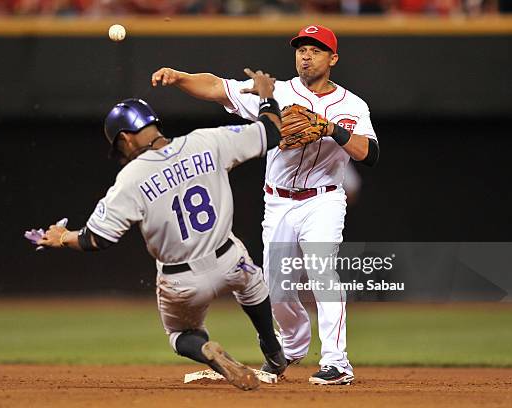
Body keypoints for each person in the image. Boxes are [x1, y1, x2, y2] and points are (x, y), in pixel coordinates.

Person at [30, 69, 289, 391]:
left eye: (119, 146)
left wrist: (62, 238)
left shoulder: (131, 178)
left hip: (181, 281)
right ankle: (273, 350)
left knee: (181, 335)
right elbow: (272, 132)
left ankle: (206, 349)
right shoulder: (206, 141)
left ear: (124, 138)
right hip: (228, 259)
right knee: (251, 283)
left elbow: (96, 239)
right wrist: (266, 95)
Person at [151, 24, 379, 385]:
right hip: (279, 202)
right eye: (301, 48)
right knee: (277, 286)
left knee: (323, 272)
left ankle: (337, 362)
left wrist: (330, 128)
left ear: (333, 58)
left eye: (316, 49)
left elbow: (370, 154)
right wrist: (179, 77)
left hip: (323, 199)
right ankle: (291, 348)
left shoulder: (352, 105)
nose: (306, 54)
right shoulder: (276, 92)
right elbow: (215, 86)